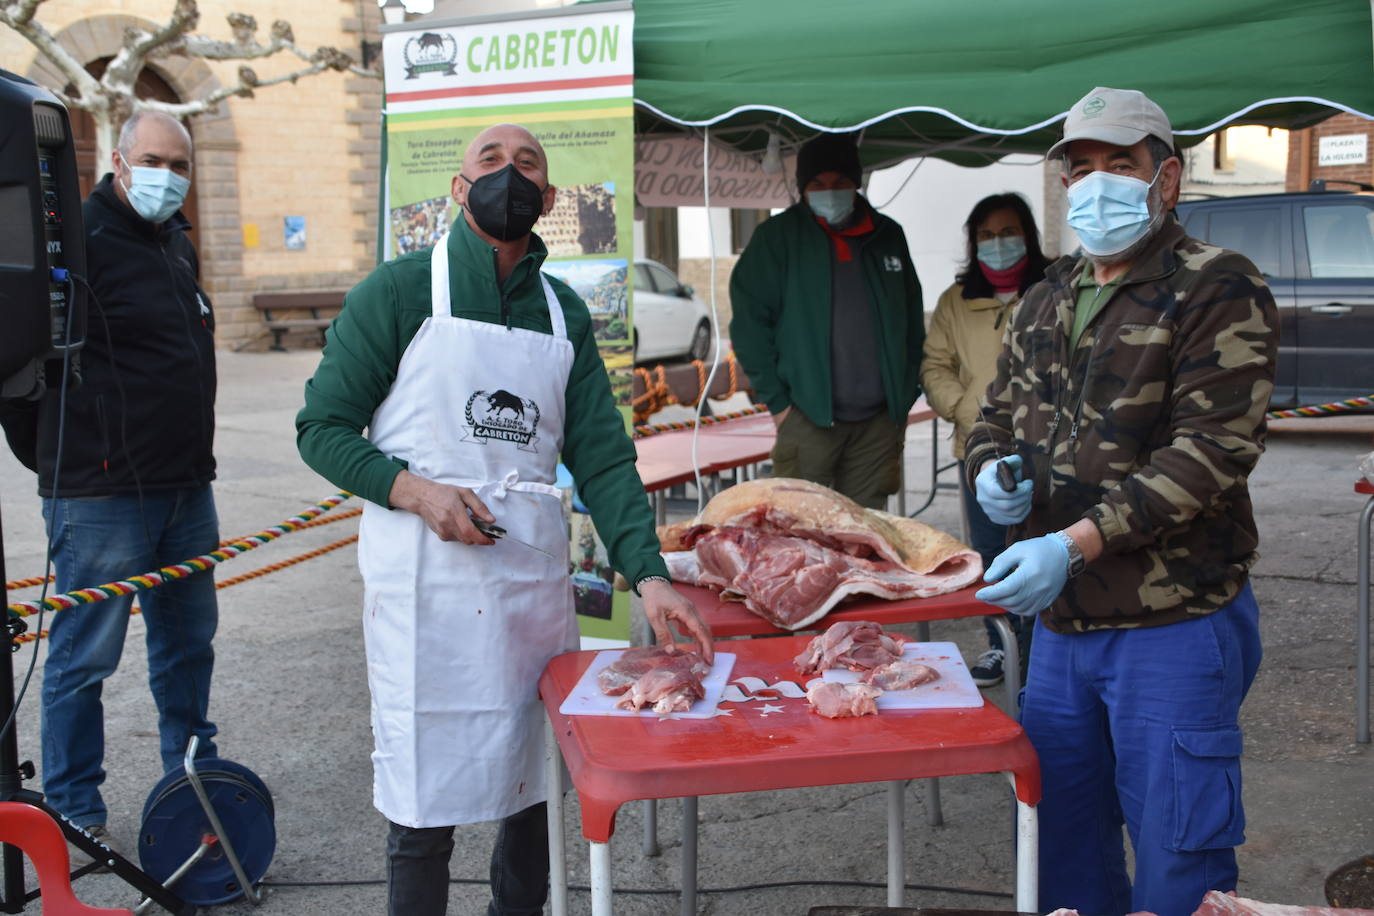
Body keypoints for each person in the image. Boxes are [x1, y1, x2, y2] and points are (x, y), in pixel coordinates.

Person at [295, 122, 714, 916]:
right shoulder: (397, 291)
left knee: (532, 791)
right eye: (490, 161)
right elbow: (321, 429)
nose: (509, 175)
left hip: (527, 593)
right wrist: (416, 491)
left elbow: (602, 460)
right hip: (425, 592)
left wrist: (650, 575)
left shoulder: (565, 314)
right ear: (459, 189)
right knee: (423, 799)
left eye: (528, 165)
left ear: (548, 200)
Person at [964, 87, 1277, 916]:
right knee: (1060, 843)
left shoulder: (1216, 286)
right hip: (1064, 630)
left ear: (1165, 179)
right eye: (1082, 168)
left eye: (1120, 166)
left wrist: (1072, 542)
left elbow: (1210, 453)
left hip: (1172, 624)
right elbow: (994, 414)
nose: (1096, 184)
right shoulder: (1047, 296)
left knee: (1181, 856)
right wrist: (994, 469)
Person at [0, 111, 220, 849]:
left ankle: (191, 786)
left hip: (187, 486)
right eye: (154, 159)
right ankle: (72, 810)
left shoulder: (175, 243)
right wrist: (64, 465)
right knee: (83, 658)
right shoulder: (79, 242)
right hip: (100, 497)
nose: (168, 176)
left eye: (181, 164)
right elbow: (21, 365)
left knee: (188, 649)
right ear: (120, 162)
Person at [730, 132, 924, 509]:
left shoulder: (887, 236)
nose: (829, 191)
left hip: (878, 425)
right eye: (817, 184)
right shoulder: (776, 238)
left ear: (857, 184)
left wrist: (904, 395)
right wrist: (780, 406)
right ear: (802, 188)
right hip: (807, 421)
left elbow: (912, 321)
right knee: (803, 534)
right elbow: (749, 327)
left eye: (840, 182)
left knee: (868, 537)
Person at [921, 193, 1050, 687]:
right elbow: (935, 365)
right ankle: (1003, 646)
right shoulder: (957, 301)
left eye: (1008, 232)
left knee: (1048, 542)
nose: (998, 244)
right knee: (993, 551)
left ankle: (1045, 652)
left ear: (1028, 235)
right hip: (980, 449)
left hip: (1046, 448)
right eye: (986, 236)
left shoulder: (1053, 287)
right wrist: (965, 410)